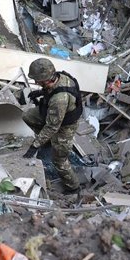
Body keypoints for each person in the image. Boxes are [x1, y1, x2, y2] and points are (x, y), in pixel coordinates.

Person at [22, 58, 83, 193]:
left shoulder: (59, 100)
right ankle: (48, 141)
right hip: (54, 115)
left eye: (37, 81)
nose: (35, 83)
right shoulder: (58, 77)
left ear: (45, 80)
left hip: (66, 124)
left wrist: (35, 145)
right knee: (28, 116)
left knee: (59, 160)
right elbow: (53, 89)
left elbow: (52, 127)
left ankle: (73, 187)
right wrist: (40, 92)